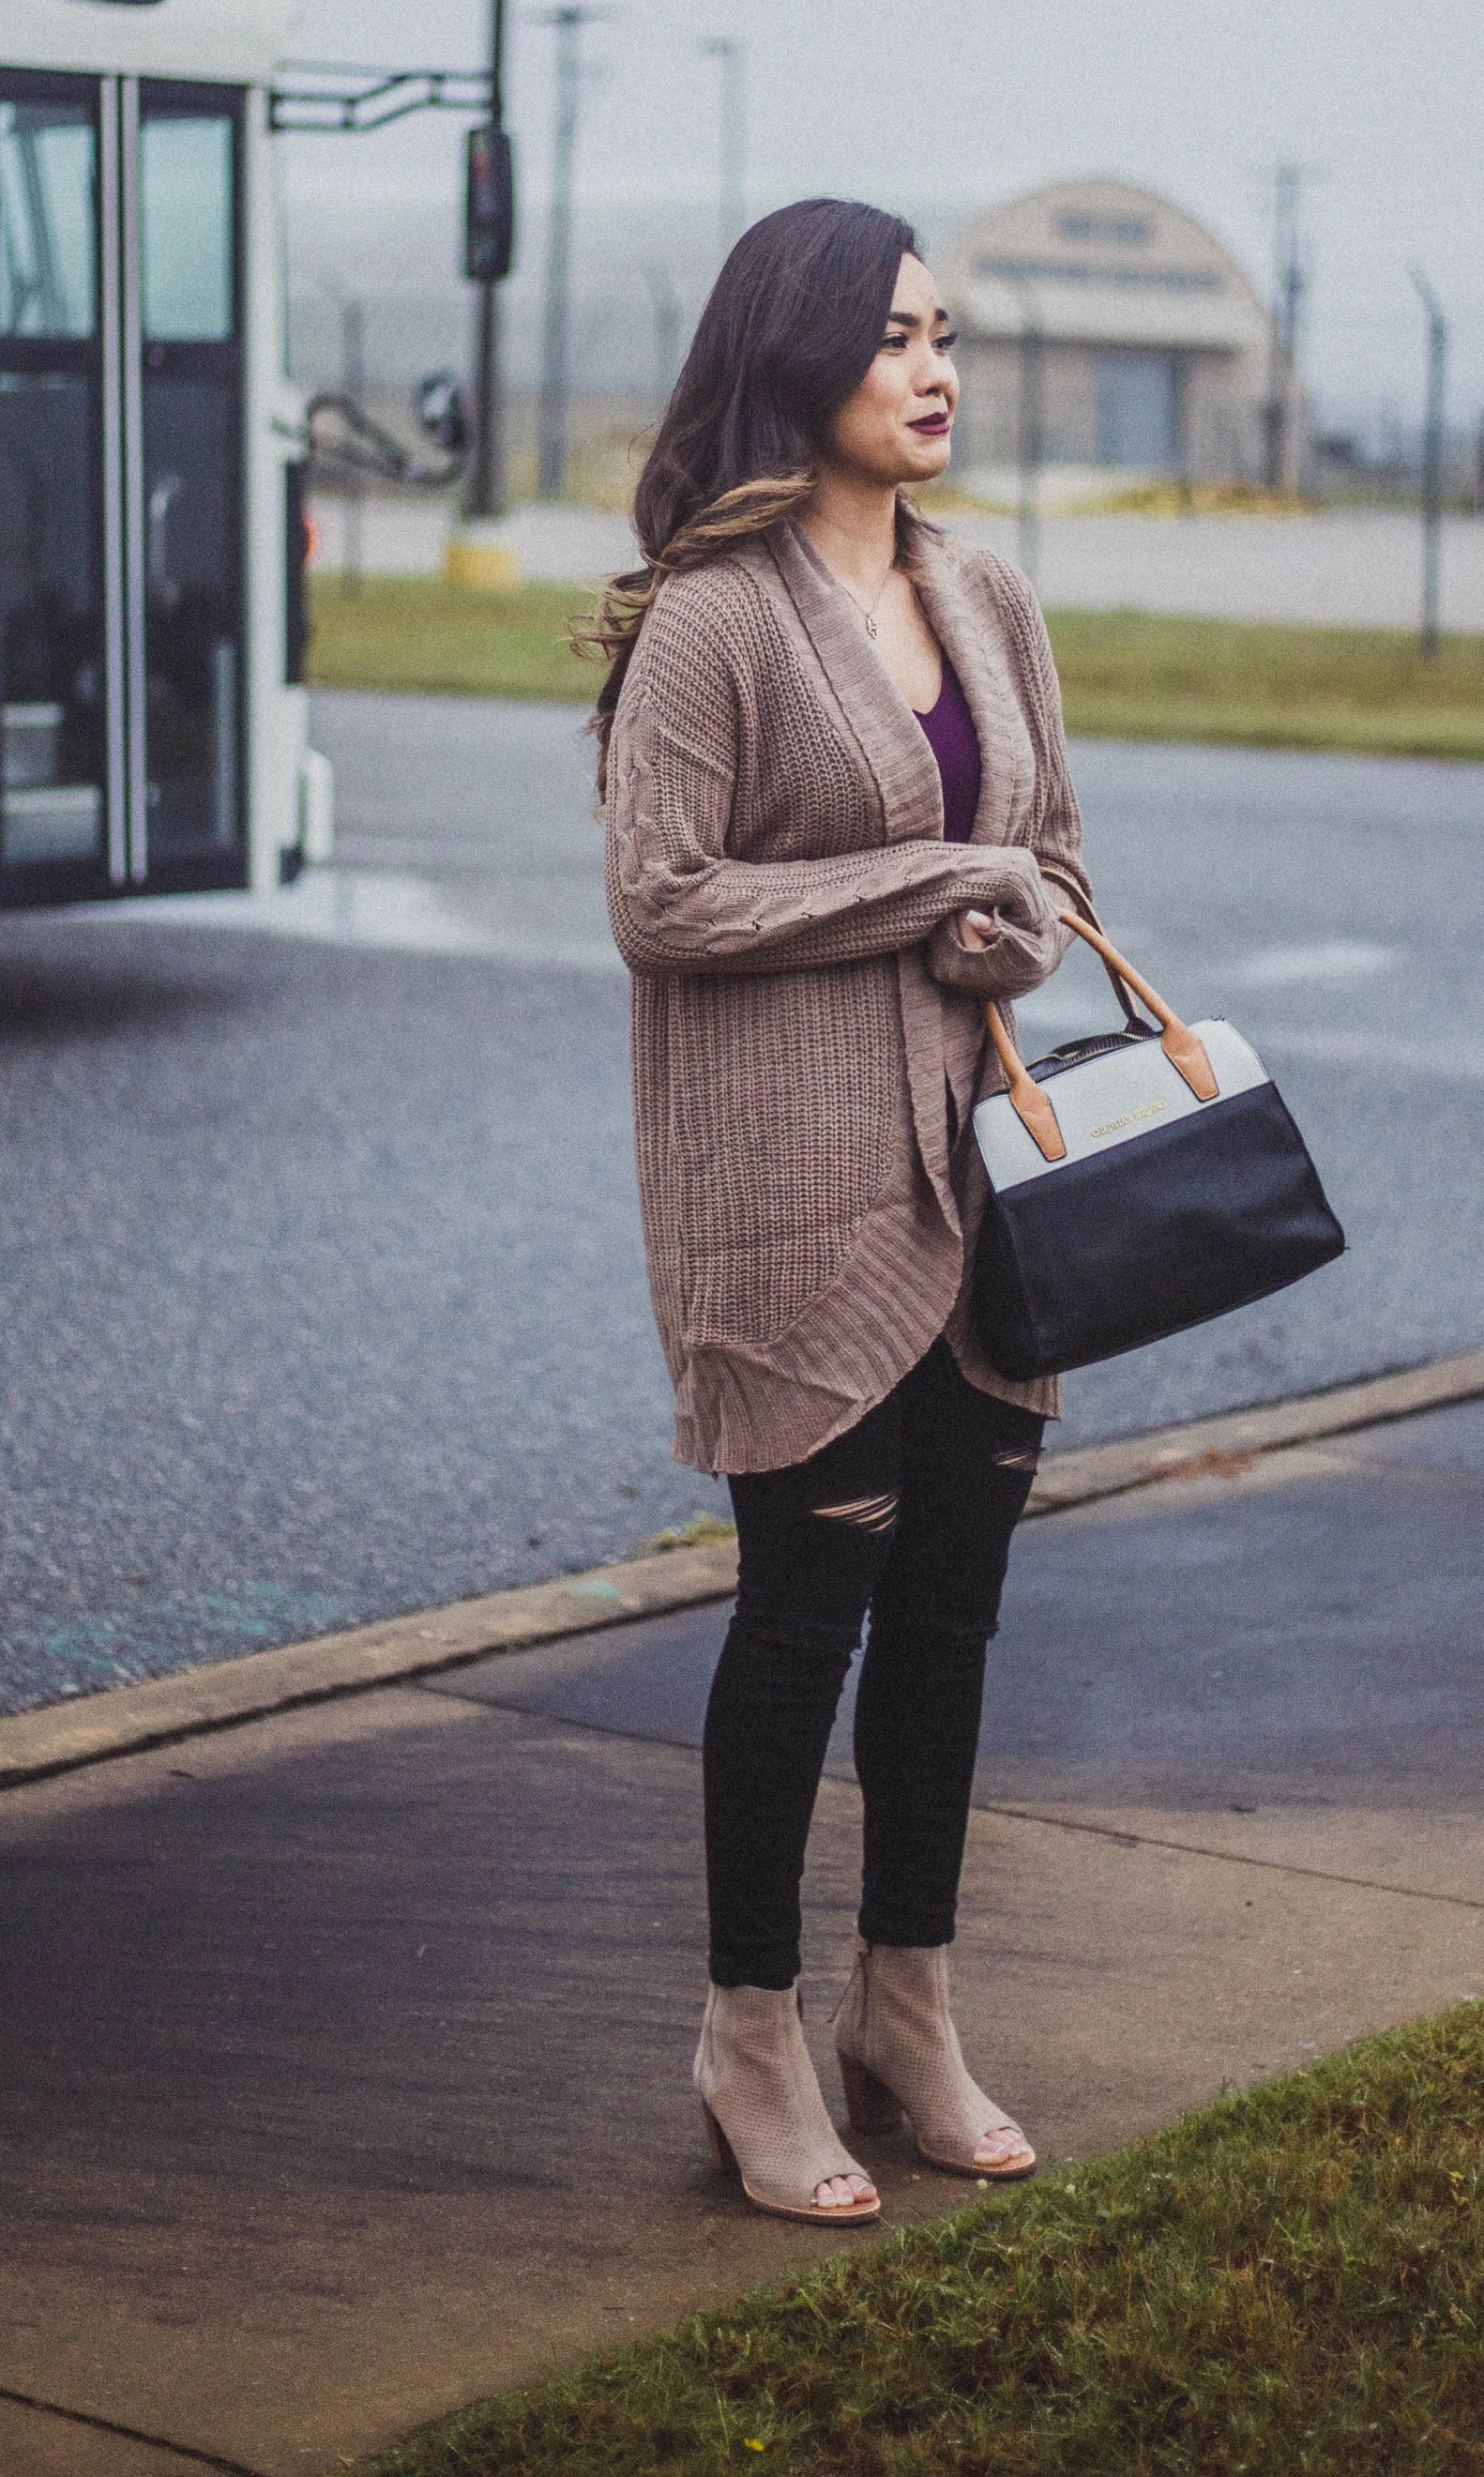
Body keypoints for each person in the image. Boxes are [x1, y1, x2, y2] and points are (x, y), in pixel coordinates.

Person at [588, 197, 1091, 2225]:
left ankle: (906, 2002)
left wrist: (1015, 932)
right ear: (795, 360)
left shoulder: (986, 597)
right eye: (893, 336)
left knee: (955, 1605)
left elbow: (1046, 848)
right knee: (806, 1613)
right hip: (787, 1188)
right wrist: (920, 893)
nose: (934, 368)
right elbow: (657, 897)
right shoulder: (705, 621)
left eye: (944, 332)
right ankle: (746, 2035)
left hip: (977, 1171)